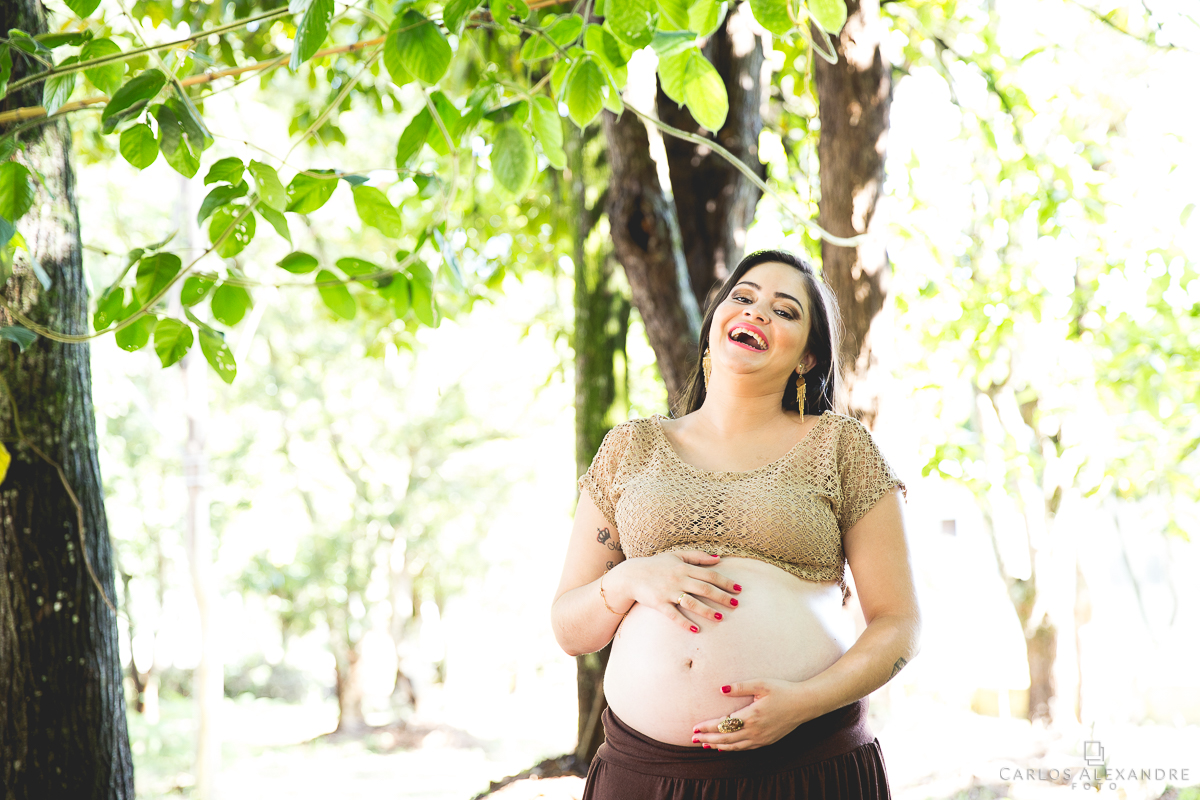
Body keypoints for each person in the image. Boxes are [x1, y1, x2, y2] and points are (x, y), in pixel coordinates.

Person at [550, 249, 921, 798]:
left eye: (786, 310)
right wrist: (627, 580)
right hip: (643, 776)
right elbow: (569, 629)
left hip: (805, 763)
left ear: (807, 358)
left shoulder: (841, 448)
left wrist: (803, 703)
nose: (757, 312)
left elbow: (899, 625)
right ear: (712, 328)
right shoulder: (630, 449)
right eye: (743, 297)